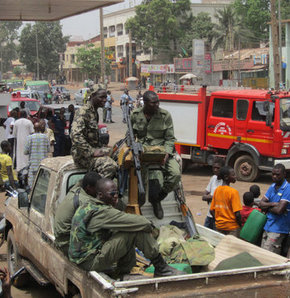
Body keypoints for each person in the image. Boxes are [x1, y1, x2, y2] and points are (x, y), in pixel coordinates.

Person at [68, 178, 184, 278]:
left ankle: (123, 272)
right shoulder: (100, 212)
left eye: (117, 193)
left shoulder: (89, 205)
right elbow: (141, 222)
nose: (115, 197)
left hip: (84, 258)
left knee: (126, 229)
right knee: (135, 231)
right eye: (112, 194)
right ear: (100, 195)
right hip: (89, 262)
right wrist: (151, 226)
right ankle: (161, 268)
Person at [130, 90, 180, 219]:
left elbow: (170, 138)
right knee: (137, 178)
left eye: (158, 102)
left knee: (175, 174)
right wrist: (134, 150)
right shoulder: (135, 115)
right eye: (153, 103)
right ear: (145, 103)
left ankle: (157, 199)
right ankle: (138, 205)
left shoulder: (165, 115)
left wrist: (167, 153)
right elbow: (130, 136)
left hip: (162, 152)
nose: (157, 105)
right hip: (142, 153)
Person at [71, 89, 118, 178]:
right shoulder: (83, 112)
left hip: (94, 149)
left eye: (105, 97)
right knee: (110, 166)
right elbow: (75, 135)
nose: (105, 100)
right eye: (101, 97)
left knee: (120, 153)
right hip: (82, 155)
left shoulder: (94, 112)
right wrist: (91, 152)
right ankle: (97, 188)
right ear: (92, 96)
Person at [54, 171, 101, 255]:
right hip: (67, 244)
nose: (99, 191)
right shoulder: (85, 202)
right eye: (97, 189)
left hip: (61, 238)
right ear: (88, 188)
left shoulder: (75, 190)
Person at [260, 164, 290, 255]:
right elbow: (261, 204)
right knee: (262, 254)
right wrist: (273, 204)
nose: (274, 177)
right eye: (273, 174)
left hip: (278, 229)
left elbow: (279, 210)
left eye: (277, 175)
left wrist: (267, 207)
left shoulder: (288, 188)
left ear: (284, 174)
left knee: (269, 256)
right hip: (267, 225)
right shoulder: (272, 186)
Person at [210, 166, 242, 237]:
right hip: (232, 228)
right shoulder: (233, 192)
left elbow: (212, 210)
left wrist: (218, 221)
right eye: (233, 175)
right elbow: (237, 214)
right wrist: (240, 225)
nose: (235, 176)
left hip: (219, 227)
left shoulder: (217, 190)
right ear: (226, 177)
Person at [24, 122, 50, 187]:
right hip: (43, 164)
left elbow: (25, 152)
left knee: (32, 184)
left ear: (33, 128)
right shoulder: (45, 137)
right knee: (43, 183)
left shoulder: (29, 138)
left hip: (33, 164)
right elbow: (48, 149)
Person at [202, 158, 224, 230]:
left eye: (218, 168)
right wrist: (212, 197)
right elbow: (204, 195)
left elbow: (221, 198)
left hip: (218, 217)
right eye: (214, 167)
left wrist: (210, 197)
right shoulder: (213, 178)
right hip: (209, 215)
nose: (215, 170)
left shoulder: (224, 182)